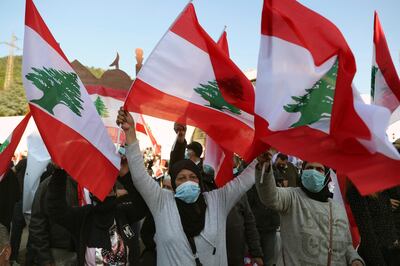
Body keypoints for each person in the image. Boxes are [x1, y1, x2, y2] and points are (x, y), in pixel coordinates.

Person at [117, 108, 257, 265]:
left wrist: (263, 155)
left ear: (199, 181)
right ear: (174, 183)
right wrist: (130, 133)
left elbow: (244, 181)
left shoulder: (216, 202)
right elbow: (139, 176)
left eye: (192, 177)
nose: (188, 181)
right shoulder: (162, 202)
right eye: (181, 178)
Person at [256, 160, 364, 265]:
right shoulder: (292, 197)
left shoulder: (338, 209)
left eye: (319, 169)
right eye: (309, 168)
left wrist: (355, 259)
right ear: (302, 172)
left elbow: (347, 245)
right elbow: (269, 196)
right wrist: (265, 168)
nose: (313, 172)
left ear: (326, 176)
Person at [47, 158, 149, 266]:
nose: (104, 187)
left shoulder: (123, 214)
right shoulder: (83, 217)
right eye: (99, 184)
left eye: (108, 185)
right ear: (92, 192)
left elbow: (143, 205)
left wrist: (125, 175)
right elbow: (56, 210)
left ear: (115, 191)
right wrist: (59, 172)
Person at [26, 169, 79, 266]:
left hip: (84, 252)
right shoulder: (48, 185)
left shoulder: (89, 184)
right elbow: (37, 224)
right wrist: (45, 258)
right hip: (57, 253)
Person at [347, 182, 400, 265]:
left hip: (394, 252)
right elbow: (368, 235)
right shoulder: (355, 191)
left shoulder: (381, 187)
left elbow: (390, 220)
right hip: (379, 255)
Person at [247, 151, 280, 266]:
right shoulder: (247, 176)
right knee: (254, 259)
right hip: (254, 226)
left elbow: (276, 195)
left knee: (268, 259)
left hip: (270, 226)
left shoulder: (274, 173)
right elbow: (247, 202)